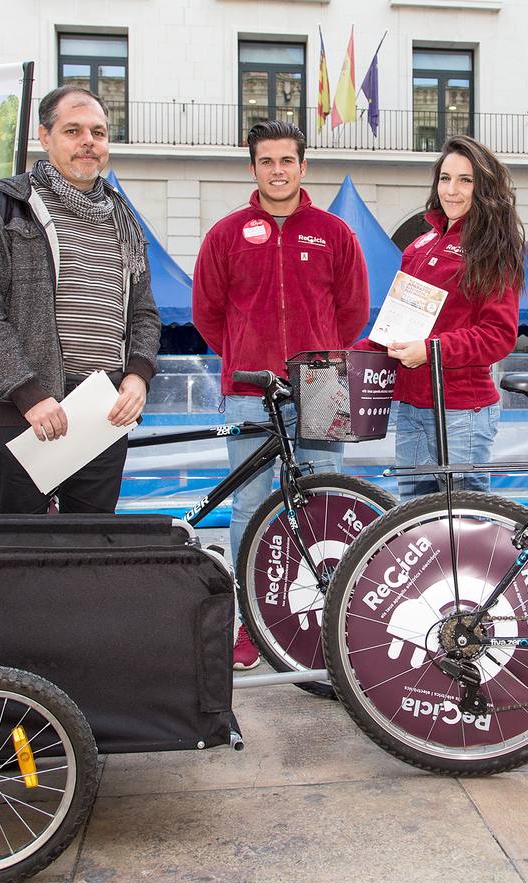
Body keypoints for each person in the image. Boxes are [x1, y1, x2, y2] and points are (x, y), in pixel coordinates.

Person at [192, 119, 370, 669]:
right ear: (253, 168)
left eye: (286, 161)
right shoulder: (226, 234)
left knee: (324, 502)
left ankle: (323, 619)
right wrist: (248, 359)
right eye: (266, 161)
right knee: (250, 505)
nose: (277, 171)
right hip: (249, 390)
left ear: (302, 166)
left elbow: (354, 311)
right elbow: (208, 314)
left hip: (322, 385)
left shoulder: (334, 232)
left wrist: (319, 361)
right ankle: (250, 622)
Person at [0, 85, 161, 514]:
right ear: (44, 136)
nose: (88, 141)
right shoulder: (6, 204)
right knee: (15, 555)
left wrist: (138, 376)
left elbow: (144, 313)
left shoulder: (124, 220)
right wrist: (29, 394)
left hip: (101, 412)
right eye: (73, 130)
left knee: (86, 556)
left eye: (98, 132)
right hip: (27, 411)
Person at [382, 135, 524, 499]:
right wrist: (341, 358)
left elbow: (498, 335)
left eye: (465, 180)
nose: (452, 190)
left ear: (484, 186)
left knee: (462, 526)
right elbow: (394, 326)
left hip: (463, 411)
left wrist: (430, 352)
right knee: (415, 524)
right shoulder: (419, 245)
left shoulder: (492, 248)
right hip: (412, 406)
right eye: (445, 178)